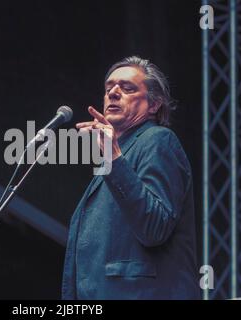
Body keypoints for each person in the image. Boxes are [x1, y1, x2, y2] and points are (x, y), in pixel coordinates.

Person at [62, 56, 200, 299]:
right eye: (109, 88)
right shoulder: (116, 156)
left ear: (154, 104)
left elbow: (154, 228)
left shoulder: (158, 140)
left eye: (127, 88)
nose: (114, 93)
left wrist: (113, 158)